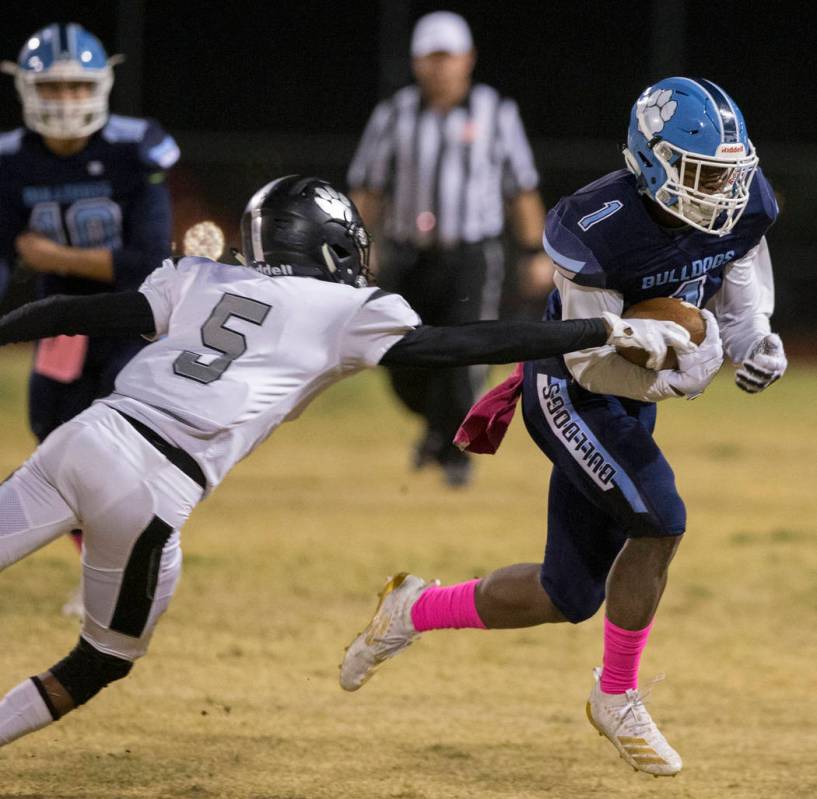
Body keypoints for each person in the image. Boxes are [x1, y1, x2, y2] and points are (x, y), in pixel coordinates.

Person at [0, 175, 692, 750]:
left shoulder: (200, 276)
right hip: (151, 487)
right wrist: (599, 327)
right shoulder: (343, 305)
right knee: (100, 660)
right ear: (326, 243)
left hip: (85, 435)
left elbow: (73, 311)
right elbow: (455, 344)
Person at [340, 78, 787, 778]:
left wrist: (755, 336)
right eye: (701, 174)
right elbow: (592, 364)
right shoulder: (593, 225)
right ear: (651, 162)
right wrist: (698, 363)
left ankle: (412, 608)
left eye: (728, 173)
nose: (721, 191)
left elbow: (737, 269)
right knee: (659, 517)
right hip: (571, 384)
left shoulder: (740, 200)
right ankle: (616, 695)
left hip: (633, 386)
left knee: (567, 593)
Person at [0, 23, 179, 613]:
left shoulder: (135, 147)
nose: (66, 101)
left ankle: (139, 560)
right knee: (51, 435)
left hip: (134, 314)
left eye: (78, 87)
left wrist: (57, 258)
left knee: (113, 443)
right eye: (53, 88)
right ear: (26, 91)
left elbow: (149, 259)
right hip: (62, 322)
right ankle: (97, 563)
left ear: (100, 86)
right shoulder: (11, 159)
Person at [348, 11, 553, 487]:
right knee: (400, 358)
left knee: (466, 355)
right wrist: (359, 248)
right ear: (417, 63)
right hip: (408, 253)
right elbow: (368, 188)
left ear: (468, 60)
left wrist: (532, 252)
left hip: (472, 255)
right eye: (430, 58)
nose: (439, 68)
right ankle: (438, 429)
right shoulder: (394, 115)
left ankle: (454, 452)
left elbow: (521, 188)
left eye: (447, 57)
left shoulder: (495, 113)